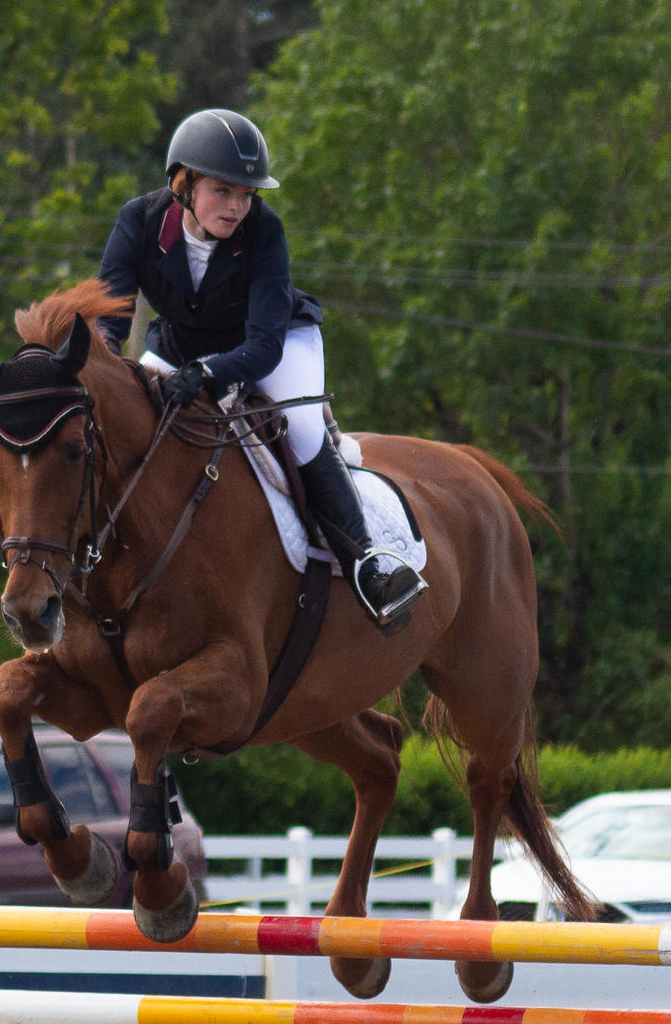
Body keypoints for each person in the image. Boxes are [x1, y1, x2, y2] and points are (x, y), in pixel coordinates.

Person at [97, 107, 425, 635]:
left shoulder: (264, 231)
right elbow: (110, 309)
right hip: (181, 345)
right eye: (223, 191)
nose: (237, 206)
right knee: (126, 425)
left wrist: (206, 376)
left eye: (247, 194)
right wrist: (102, 361)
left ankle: (369, 565)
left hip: (276, 342)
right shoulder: (139, 220)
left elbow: (264, 346)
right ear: (183, 184)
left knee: (301, 431)